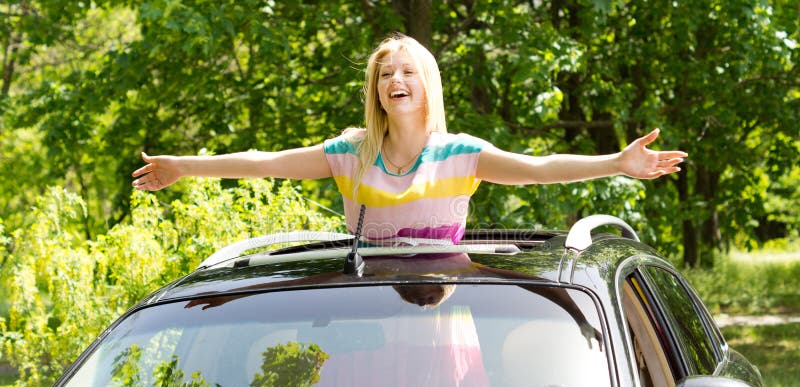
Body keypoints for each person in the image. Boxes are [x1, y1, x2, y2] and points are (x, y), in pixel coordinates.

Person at [132, 34, 687, 244]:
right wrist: (184, 165)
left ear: (427, 84)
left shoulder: (460, 154)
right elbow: (264, 162)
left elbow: (540, 167)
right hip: (365, 315)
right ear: (375, 90)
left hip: (442, 316)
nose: (395, 80)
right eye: (384, 74)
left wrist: (617, 162)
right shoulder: (350, 153)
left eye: (407, 71)